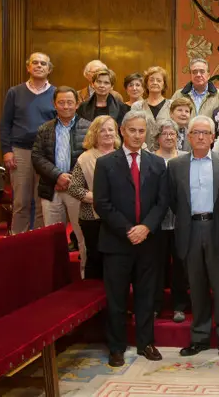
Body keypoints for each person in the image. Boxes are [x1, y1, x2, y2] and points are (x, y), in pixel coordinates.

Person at [94, 110, 169, 367]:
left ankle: (146, 342)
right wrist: (129, 229)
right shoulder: (105, 163)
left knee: (146, 296)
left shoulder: (157, 163)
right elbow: (102, 204)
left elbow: (163, 202)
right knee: (116, 298)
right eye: (133, 130)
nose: (137, 135)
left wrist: (145, 227)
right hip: (117, 241)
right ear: (122, 131)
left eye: (142, 131)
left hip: (148, 241)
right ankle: (116, 347)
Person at [168, 116, 219, 357]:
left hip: (218, 229)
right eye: (196, 132)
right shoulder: (175, 166)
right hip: (190, 229)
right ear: (188, 136)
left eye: (206, 133)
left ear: (213, 137)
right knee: (196, 286)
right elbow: (174, 201)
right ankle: (200, 337)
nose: (200, 137)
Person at [32, 86, 91, 273]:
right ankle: (55, 278)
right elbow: (37, 157)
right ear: (54, 104)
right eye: (61, 102)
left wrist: (71, 179)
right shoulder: (44, 128)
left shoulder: (88, 127)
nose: (66, 106)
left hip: (78, 189)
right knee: (53, 237)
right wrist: (57, 175)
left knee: (82, 235)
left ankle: (86, 275)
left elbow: (90, 157)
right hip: (52, 188)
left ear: (77, 104)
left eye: (70, 102)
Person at [0, 52, 57, 234]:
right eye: (35, 63)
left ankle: (39, 242)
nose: (39, 66)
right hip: (20, 151)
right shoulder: (15, 92)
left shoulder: (56, 93)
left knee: (43, 201)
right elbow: (5, 124)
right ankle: (18, 241)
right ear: (28, 67)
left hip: (46, 153)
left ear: (49, 69)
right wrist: (6, 151)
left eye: (43, 63)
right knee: (21, 201)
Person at [68, 115, 120, 280]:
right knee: (96, 260)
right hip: (92, 218)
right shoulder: (85, 158)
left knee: (117, 261)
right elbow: (74, 188)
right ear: (94, 134)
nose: (107, 133)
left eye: (110, 129)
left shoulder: (123, 156)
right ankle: (95, 301)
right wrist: (101, 199)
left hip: (118, 217)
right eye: (102, 130)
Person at [153, 120, 189, 322]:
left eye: (172, 133)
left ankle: (179, 305)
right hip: (156, 223)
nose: (168, 137)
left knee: (180, 265)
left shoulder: (185, 158)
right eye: (164, 133)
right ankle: (155, 305)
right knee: (156, 265)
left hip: (180, 221)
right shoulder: (150, 158)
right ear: (157, 137)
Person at [131, 66, 169, 148]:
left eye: (159, 80)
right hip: (143, 153)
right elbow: (133, 131)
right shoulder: (137, 106)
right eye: (151, 80)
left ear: (164, 85)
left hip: (166, 153)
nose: (155, 83)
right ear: (146, 84)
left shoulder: (172, 106)